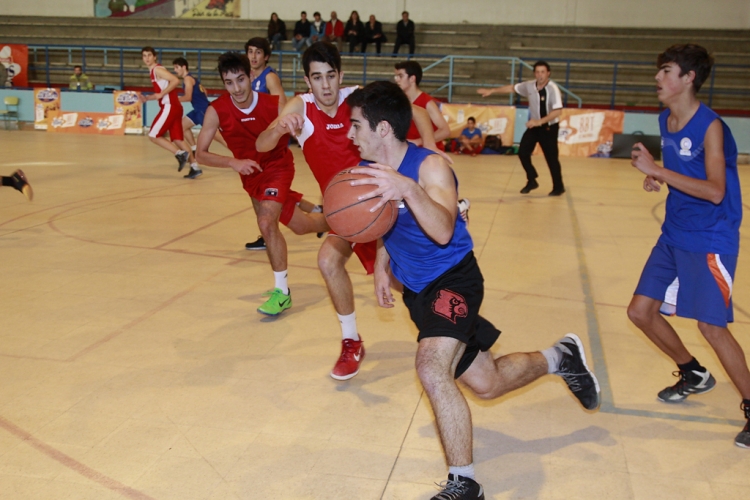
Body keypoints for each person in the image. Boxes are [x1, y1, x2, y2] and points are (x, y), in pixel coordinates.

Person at [346, 80, 600, 499]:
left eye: (356, 125)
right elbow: (384, 220)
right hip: (418, 292)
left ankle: (464, 484)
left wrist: (407, 188)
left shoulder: (430, 168)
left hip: (454, 279)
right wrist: (382, 263)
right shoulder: (370, 169)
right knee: (488, 383)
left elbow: (444, 230)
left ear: (383, 128)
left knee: (431, 367)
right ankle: (561, 356)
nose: (350, 133)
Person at [256, 41, 444, 381]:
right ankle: (351, 341)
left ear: (340, 76)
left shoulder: (357, 99)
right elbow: (261, 144)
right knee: (328, 261)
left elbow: (413, 110)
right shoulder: (301, 106)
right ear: (307, 80)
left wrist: (430, 145)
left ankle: (451, 318)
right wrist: (280, 127)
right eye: (317, 77)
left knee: (400, 281)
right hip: (348, 213)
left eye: (331, 76)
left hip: (382, 205)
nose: (326, 85)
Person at [627, 44, 750, 449]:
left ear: (688, 77)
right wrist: (657, 176)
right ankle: (693, 372)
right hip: (674, 232)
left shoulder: (711, 127)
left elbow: (715, 191)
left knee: (711, 327)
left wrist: (659, 170)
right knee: (640, 312)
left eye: (666, 70)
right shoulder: (666, 118)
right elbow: (683, 171)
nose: (657, 78)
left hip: (710, 237)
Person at [195, 52, 327, 316]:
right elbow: (200, 154)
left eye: (241, 79)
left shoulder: (274, 104)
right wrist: (233, 162)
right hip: (251, 176)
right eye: (229, 82)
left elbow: (305, 129)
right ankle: (339, 224)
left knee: (266, 223)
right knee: (300, 226)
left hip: (278, 168)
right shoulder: (216, 110)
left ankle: (282, 293)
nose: (236, 88)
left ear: (251, 76)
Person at [244, 37, 321, 252]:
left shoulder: (269, 78)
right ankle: (316, 211)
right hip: (256, 142)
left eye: (258, 52)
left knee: (264, 189)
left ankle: (270, 233)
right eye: (250, 51)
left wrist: (272, 131)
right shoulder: (248, 78)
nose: (253, 56)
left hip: (270, 142)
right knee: (258, 189)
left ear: (266, 56)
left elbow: (282, 108)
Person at [477, 61, 565, 196]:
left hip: (548, 127)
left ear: (548, 73)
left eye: (543, 72)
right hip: (534, 126)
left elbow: (558, 111)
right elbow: (513, 88)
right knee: (523, 152)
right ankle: (532, 179)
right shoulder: (529, 85)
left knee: (551, 158)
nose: (540, 75)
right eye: (537, 72)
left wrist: (539, 122)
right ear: (534, 73)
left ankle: (558, 187)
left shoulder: (553, 89)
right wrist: (492, 91)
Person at [139, 46, 195, 175]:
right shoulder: (155, 71)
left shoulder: (157, 69)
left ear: (154, 57)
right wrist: (148, 98)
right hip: (175, 107)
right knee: (178, 139)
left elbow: (175, 80)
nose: (147, 58)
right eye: (144, 56)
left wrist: (162, 93)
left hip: (170, 106)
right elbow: (160, 94)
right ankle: (195, 166)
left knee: (153, 135)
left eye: (149, 55)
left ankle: (179, 154)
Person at [172, 57, 226, 179]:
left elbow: (188, 97)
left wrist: (173, 100)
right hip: (198, 110)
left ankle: (240, 154)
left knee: (218, 136)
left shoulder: (187, 79)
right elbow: (204, 91)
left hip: (203, 111)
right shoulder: (193, 79)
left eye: (176, 67)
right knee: (181, 126)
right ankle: (194, 147)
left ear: (183, 67)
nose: (175, 70)